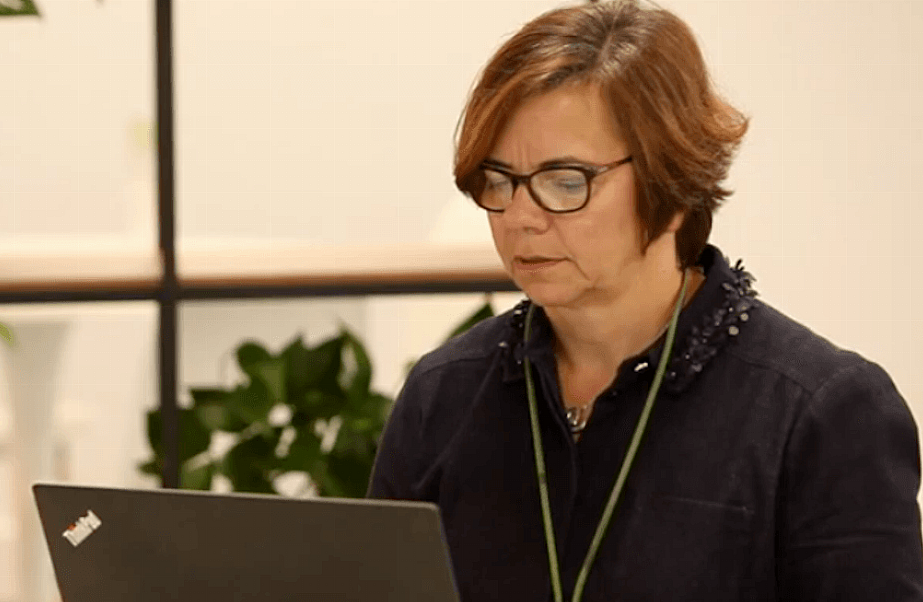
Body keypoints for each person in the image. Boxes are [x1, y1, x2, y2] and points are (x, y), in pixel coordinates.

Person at [366, 1, 923, 601]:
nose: (520, 218)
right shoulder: (441, 396)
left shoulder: (821, 414)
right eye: (498, 180)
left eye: (564, 181)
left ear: (672, 179)